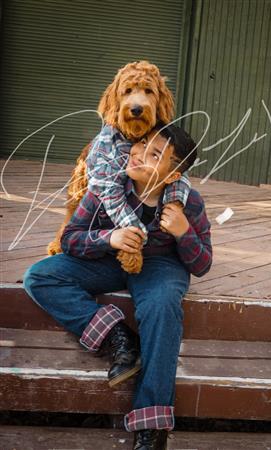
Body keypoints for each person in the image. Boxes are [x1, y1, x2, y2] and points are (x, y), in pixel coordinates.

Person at [23, 123, 213, 450]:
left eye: (155, 154)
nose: (138, 154)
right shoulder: (106, 187)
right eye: (140, 144)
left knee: (163, 307)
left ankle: (151, 426)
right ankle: (117, 335)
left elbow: (202, 264)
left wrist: (183, 233)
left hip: (160, 266)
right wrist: (107, 237)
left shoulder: (188, 202)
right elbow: (70, 239)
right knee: (39, 276)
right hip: (110, 259)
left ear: (171, 175)